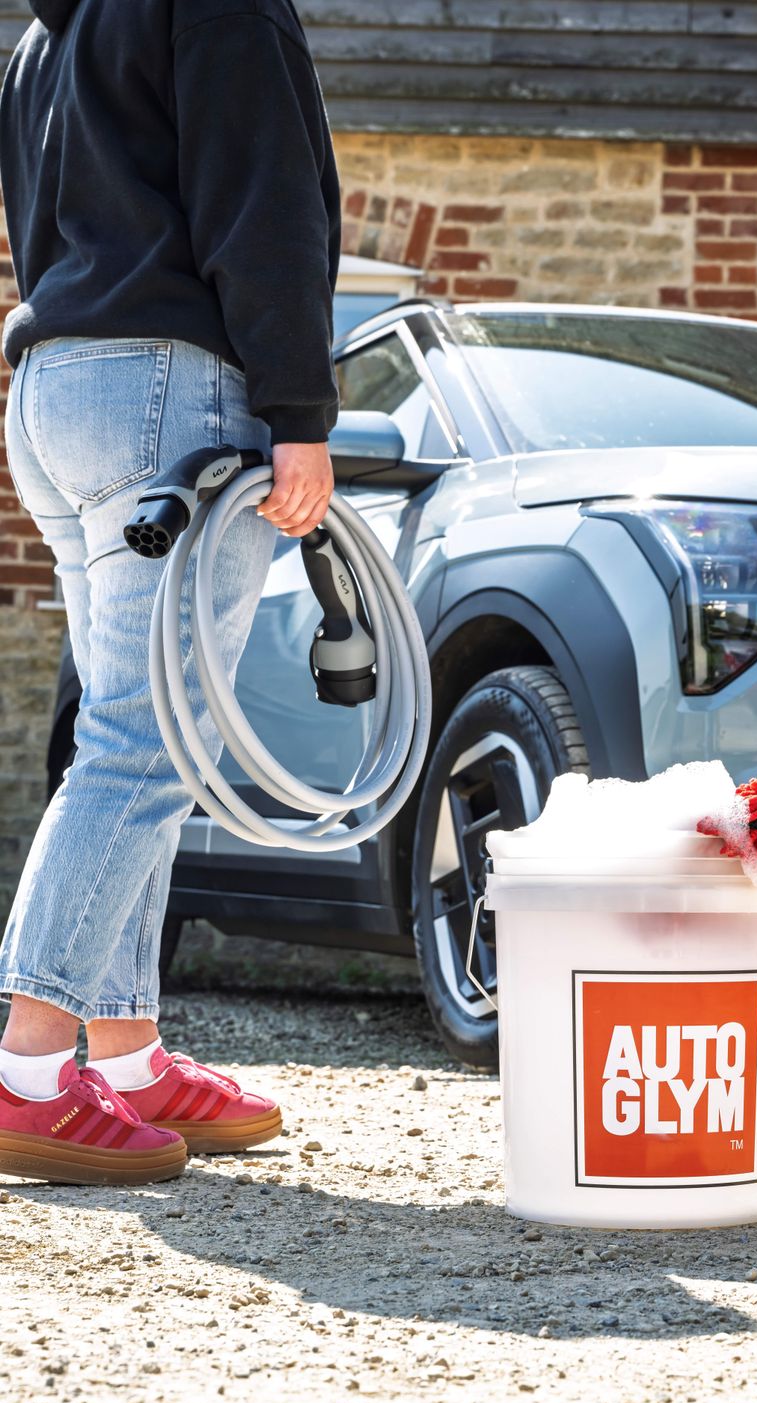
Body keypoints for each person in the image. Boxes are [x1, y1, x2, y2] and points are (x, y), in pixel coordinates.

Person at [0, 0, 341, 1184]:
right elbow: (266, 201)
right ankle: (28, 1071)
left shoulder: (50, 30)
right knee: (147, 747)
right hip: (169, 395)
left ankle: (129, 1057)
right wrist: (297, 414)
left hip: (54, 392)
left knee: (140, 742)